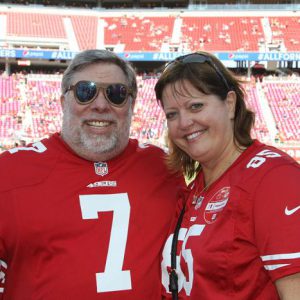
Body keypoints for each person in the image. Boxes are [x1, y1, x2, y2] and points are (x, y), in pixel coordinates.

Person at [0, 49, 184, 299]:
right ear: (64, 102)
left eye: (116, 94)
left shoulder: (163, 168)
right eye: (85, 92)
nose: (100, 105)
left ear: (131, 106)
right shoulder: (10, 173)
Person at [154, 51, 300, 299]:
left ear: (230, 104)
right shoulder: (196, 186)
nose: (184, 122)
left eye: (196, 106)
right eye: (172, 114)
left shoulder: (275, 179)